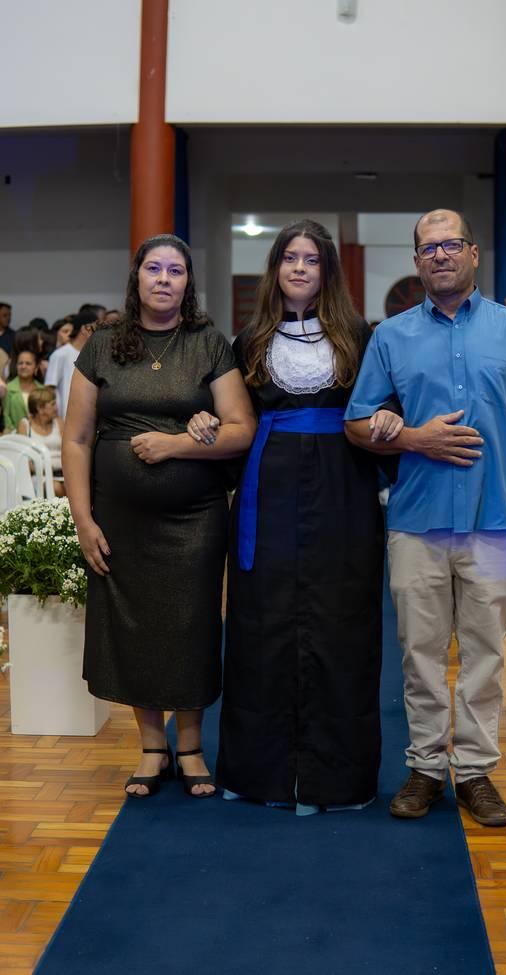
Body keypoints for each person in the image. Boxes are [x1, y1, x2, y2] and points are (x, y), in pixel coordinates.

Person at [345, 208, 506, 827]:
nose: (439, 255)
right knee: (418, 653)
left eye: (450, 245)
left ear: (473, 254)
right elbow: (358, 424)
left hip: (495, 521)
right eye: (427, 248)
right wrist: (412, 438)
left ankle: (473, 772)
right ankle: (423, 766)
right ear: (417, 262)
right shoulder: (390, 337)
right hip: (416, 521)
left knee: (483, 656)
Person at [187, 218, 402, 814]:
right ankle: (262, 775)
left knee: (343, 624)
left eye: (311, 258)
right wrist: (205, 424)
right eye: (289, 258)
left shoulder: (362, 337)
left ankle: (339, 779)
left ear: (327, 270)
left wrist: (386, 419)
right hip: (268, 485)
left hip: (344, 488)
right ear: (276, 268)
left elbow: (383, 408)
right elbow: (231, 417)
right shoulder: (248, 340)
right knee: (262, 625)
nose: (300, 267)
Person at [63, 233, 256, 799]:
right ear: (138, 277)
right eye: (155, 268)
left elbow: (241, 431)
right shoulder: (102, 346)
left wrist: (183, 444)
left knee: (192, 624)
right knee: (134, 627)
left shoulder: (208, 343)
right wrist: (82, 517)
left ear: (187, 283)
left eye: (176, 270)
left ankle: (191, 746)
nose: (165, 279)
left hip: (194, 517)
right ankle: (151, 747)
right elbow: (75, 438)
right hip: (119, 517)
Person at [45, 311, 96, 419]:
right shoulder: (60, 354)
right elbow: (49, 388)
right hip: (64, 418)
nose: (97, 333)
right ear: (84, 329)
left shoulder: (94, 354)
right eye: (94, 328)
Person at [17, 386, 66, 497]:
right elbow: (23, 458)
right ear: (40, 408)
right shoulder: (25, 425)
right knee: (56, 487)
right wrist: (44, 469)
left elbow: (67, 451)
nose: (56, 407)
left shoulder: (59, 423)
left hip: (62, 473)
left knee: (74, 487)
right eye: (53, 404)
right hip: (39, 475)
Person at [2, 349, 43, 432]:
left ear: (36, 367)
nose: (23, 366)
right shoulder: (8, 388)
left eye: (28, 363)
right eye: (20, 363)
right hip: (15, 438)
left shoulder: (42, 389)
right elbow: (6, 417)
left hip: (38, 438)